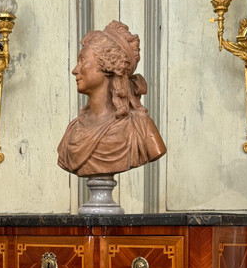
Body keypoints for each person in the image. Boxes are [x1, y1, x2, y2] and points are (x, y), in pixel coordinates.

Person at [57, 20, 166, 177]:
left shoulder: (140, 127)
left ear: (108, 66)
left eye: (83, 61)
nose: (75, 70)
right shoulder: (72, 131)